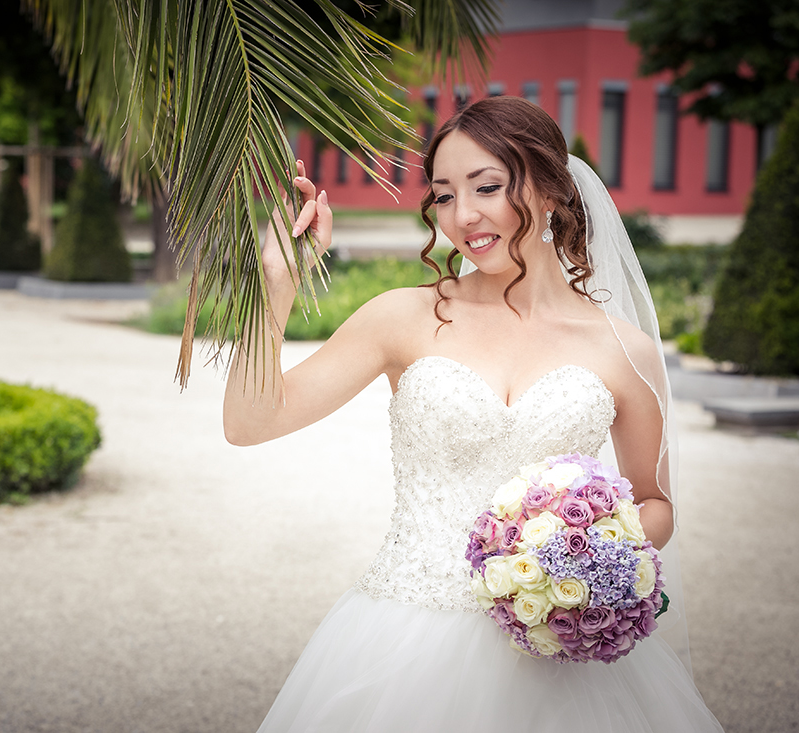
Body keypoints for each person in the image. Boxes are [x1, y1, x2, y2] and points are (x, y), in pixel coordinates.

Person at [223, 96, 725, 732]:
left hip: (561, 658)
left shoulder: (624, 349)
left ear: (549, 190)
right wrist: (278, 281)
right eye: (442, 195)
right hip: (402, 637)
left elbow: (655, 504)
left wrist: (584, 556)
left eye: (487, 187)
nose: (463, 216)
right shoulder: (402, 317)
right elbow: (248, 422)